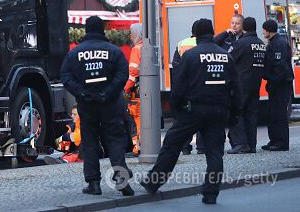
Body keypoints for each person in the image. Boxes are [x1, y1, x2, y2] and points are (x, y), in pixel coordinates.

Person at [141, 19, 242, 205]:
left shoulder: (191, 56)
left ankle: (153, 182)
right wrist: (234, 113)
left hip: (193, 110)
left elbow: (178, 87)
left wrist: (176, 109)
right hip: (219, 111)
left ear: (196, 36)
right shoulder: (226, 56)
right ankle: (211, 194)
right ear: (211, 33)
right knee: (214, 153)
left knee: (172, 144)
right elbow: (236, 87)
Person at [61, 16, 134, 197]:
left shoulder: (74, 54)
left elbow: (66, 77)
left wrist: (83, 93)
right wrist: (107, 92)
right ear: (102, 30)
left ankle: (94, 184)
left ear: (86, 30)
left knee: (90, 142)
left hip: (87, 105)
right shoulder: (114, 51)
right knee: (115, 140)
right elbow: (122, 74)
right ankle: (121, 180)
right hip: (110, 103)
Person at [227, 17, 265, 154]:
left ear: (244, 27)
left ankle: (241, 144)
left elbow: (228, 59)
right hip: (256, 84)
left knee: (236, 112)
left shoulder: (242, 43)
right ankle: (251, 144)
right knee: (251, 114)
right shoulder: (261, 43)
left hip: (241, 84)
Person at [171, 20, 204, 155]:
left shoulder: (182, 43)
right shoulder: (206, 44)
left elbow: (175, 65)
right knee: (203, 116)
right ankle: (202, 147)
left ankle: (185, 147)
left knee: (185, 118)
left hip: (185, 86)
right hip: (201, 85)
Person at [261, 19, 294, 151]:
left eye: (264, 29)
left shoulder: (278, 44)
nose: (262, 32)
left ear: (269, 30)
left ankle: (281, 143)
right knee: (273, 114)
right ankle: (274, 140)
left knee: (279, 114)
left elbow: (280, 68)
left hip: (280, 85)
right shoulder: (275, 42)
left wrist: (272, 81)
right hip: (276, 83)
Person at [124, 23, 142, 156]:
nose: (130, 37)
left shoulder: (136, 49)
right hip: (147, 90)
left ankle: (138, 149)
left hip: (137, 92)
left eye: (131, 34)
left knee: (137, 121)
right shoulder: (148, 47)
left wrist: (125, 89)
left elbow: (133, 73)